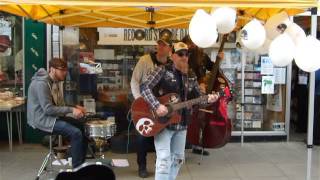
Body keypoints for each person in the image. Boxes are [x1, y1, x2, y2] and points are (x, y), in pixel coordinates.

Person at [140, 42, 219, 180]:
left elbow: (198, 98)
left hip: (182, 124)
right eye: (180, 54)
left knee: (177, 159)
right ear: (172, 55)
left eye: (187, 54)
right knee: (164, 160)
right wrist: (157, 106)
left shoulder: (191, 74)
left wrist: (209, 99)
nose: (184, 57)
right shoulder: (162, 70)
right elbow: (144, 87)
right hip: (163, 125)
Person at [27, 58, 87, 168]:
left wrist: (74, 106)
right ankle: (77, 169)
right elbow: (48, 109)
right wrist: (71, 110)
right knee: (76, 133)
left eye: (66, 70)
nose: (65, 73)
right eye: (62, 70)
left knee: (81, 126)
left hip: (52, 117)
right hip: (42, 119)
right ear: (52, 69)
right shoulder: (42, 84)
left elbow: (59, 103)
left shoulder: (53, 82)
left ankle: (80, 163)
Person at [130, 35, 172, 178]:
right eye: (159, 44)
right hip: (144, 104)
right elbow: (134, 81)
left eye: (163, 45)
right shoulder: (144, 60)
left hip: (163, 106)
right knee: (142, 136)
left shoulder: (171, 64)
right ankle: (142, 165)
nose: (159, 46)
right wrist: (139, 101)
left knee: (162, 135)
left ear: (170, 49)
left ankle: (159, 164)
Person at [182, 35, 224, 156]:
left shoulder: (202, 56)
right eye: (190, 44)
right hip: (186, 91)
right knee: (185, 117)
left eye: (194, 43)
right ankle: (180, 145)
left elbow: (213, 68)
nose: (193, 46)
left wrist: (218, 60)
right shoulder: (183, 55)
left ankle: (196, 144)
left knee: (198, 118)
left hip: (200, 91)